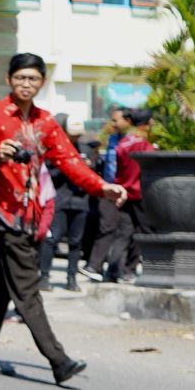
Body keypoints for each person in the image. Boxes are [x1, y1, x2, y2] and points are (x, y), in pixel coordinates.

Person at [0, 53, 127, 386]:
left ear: (42, 82)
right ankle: (58, 359)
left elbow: (70, 162)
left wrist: (102, 187)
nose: (26, 84)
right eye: (20, 78)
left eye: (33, 79)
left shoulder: (46, 122)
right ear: (9, 79)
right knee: (27, 288)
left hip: (31, 214)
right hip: (5, 214)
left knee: (3, 283)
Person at [38, 116, 97, 292]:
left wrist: (87, 167)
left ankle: (72, 278)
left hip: (80, 202)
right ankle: (44, 277)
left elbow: (94, 176)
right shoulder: (55, 150)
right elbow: (47, 174)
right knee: (52, 239)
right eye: (73, 134)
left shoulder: (86, 149)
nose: (76, 138)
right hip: (60, 201)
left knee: (75, 242)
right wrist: (66, 167)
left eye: (78, 134)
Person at [104, 108, 155, 283]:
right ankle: (149, 270)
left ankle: (113, 272)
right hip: (140, 194)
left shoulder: (124, 142)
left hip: (124, 192)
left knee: (124, 233)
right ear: (148, 123)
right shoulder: (143, 144)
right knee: (147, 232)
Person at [81, 106, 130, 281]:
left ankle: (119, 270)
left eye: (116, 120)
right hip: (110, 189)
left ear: (127, 121)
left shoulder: (133, 141)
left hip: (128, 191)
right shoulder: (112, 139)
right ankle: (95, 266)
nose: (112, 123)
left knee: (125, 231)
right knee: (106, 226)